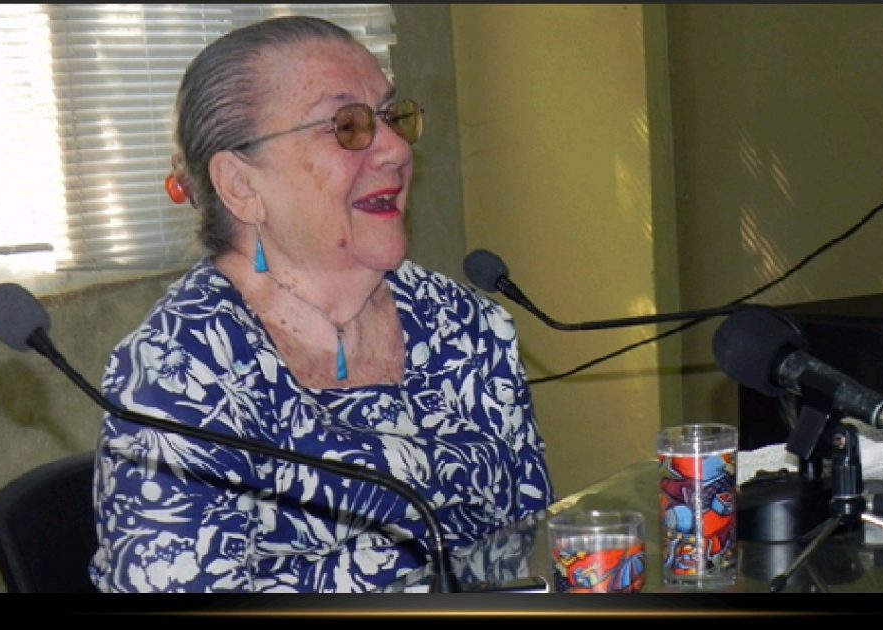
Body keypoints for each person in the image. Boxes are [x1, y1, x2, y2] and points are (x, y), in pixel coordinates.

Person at [89, 15, 554, 593]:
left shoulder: (462, 323)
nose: (395, 148)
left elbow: (532, 551)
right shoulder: (179, 375)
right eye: (347, 126)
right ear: (241, 186)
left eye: (391, 116)